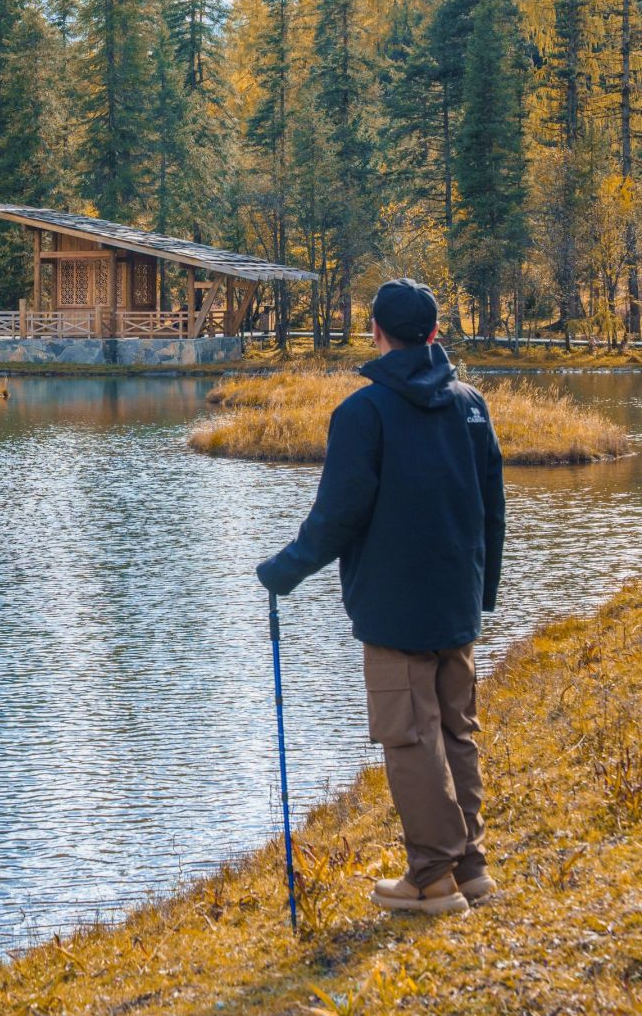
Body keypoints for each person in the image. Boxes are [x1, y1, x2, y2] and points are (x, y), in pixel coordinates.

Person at [256, 278, 505, 915]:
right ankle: (470, 867)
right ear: (433, 334)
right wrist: (485, 592)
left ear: (376, 333)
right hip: (456, 601)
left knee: (409, 738)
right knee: (456, 731)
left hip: (394, 608)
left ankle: (431, 879)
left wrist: (283, 571)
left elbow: (337, 518)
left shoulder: (362, 413)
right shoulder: (471, 405)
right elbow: (492, 511)